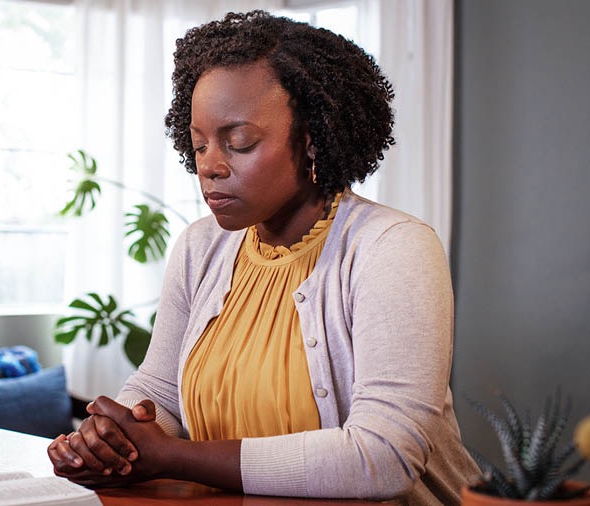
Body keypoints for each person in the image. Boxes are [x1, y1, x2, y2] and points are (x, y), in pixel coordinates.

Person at [47, 10, 480, 504]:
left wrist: (170, 455)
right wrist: (111, 439)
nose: (209, 166)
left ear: (315, 136)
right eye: (199, 144)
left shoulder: (391, 247)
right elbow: (161, 391)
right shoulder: (199, 248)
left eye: (240, 142)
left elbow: (382, 458)